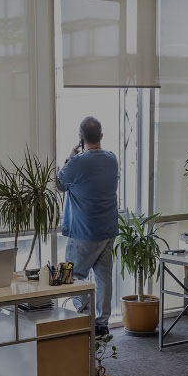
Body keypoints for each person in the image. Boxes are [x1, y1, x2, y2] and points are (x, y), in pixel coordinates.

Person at [57, 116, 119, 337]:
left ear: (81, 138)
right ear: (101, 135)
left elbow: (60, 184)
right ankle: (102, 323)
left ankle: (85, 318)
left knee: (72, 277)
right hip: (107, 229)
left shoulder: (77, 162)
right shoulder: (112, 159)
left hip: (83, 231)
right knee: (103, 278)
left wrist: (70, 157)